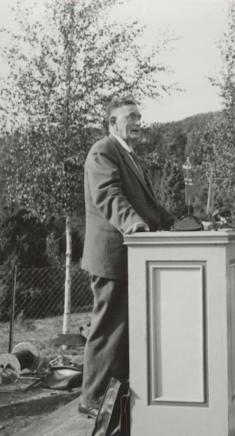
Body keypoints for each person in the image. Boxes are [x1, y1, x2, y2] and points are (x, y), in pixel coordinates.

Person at [79, 95, 173, 416]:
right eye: (131, 116)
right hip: (112, 257)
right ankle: (91, 401)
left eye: (139, 116)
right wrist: (133, 223)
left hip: (132, 257)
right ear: (112, 122)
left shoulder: (131, 156)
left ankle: (115, 399)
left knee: (125, 331)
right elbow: (108, 195)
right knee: (108, 330)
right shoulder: (103, 150)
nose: (137, 122)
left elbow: (150, 208)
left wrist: (181, 224)